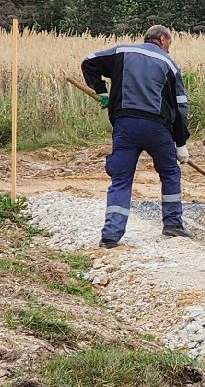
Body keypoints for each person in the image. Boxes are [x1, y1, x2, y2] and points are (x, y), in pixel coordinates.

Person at [81, 24, 191, 247]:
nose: (169, 47)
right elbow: (179, 107)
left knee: (121, 179)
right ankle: (173, 224)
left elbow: (89, 62)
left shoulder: (122, 53)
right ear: (162, 39)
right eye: (170, 42)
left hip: (125, 126)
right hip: (157, 129)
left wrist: (101, 90)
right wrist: (180, 142)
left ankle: (111, 236)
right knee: (169, 172)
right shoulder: (169, 64)